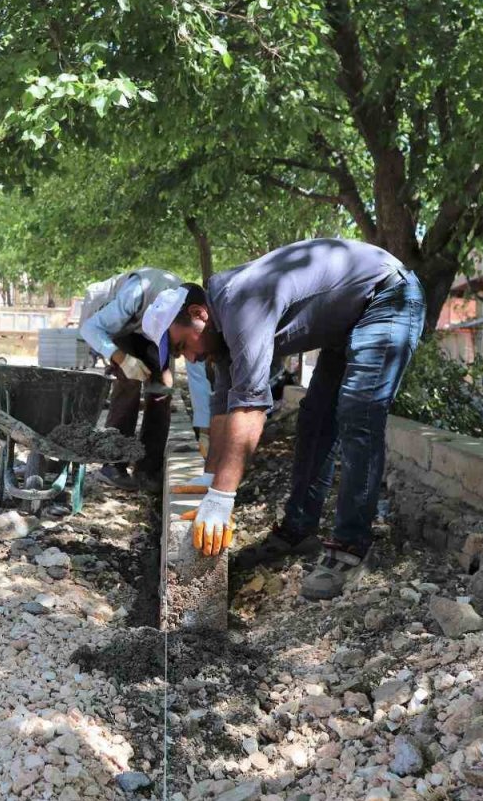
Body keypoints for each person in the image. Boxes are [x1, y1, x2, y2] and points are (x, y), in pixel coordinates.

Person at [142, 239, 425, 599]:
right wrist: (208, 482)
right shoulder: (221, 332)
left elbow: (250, 408)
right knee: (315, 420)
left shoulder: (242, 304)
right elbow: (223, 408)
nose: (191, 360)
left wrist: (220, 499)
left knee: (358, 410)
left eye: (183, 346)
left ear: (199, 314)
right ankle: (298, 531)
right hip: (348, 319)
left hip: (389, 297)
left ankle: (350, 546)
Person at [79, 267, 210, 492]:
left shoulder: (185, 319)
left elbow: (196, 374)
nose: (179, 352)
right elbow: (90, 329)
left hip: (151, 332)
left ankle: (149, 469)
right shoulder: (135, 295)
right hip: (119, 329)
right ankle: (113, 464)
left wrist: (205, 429)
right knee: (129, 381)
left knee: (163, 388)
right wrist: (122, 359)